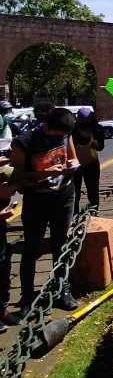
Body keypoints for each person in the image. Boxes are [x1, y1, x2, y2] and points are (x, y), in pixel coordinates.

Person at [10, 107, 80, 315]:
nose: (60, 138)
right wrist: (42, 173)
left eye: (63, 136)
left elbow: (73, 158)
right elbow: (15, 176)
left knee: (60, 244)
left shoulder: (66, 134)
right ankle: (26, 296)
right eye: (56, 135)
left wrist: (72, 164)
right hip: (37, 198)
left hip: (64, 194)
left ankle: (62, 290)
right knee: (32, 248)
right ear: (46, 126)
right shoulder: (25, 141)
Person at [70, 107, 106, 212]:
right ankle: (74, 212)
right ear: (78, 119)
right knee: (75, 190)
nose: (85, 121)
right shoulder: (72, 130)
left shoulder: (96, 128)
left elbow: (101, 147)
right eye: (82, 119)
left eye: (87, 119)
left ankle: (94, 210)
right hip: (75, 165)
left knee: (93, 188)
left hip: (91, 163)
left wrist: (97, 144)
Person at [0, 163, 22, 330]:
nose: (14, 193)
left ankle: (2, 310)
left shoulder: (4, 197)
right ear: (4, 185)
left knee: (4, 272)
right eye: (13, 189)